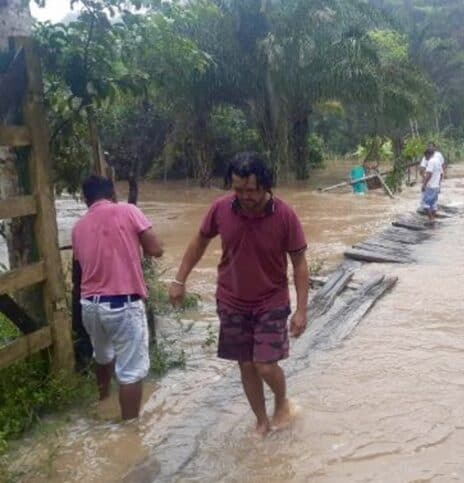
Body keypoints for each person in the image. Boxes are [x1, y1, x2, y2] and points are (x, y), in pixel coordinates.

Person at [168, 152, 309, 437]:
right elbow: (199, 242)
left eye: (251, 190)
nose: (245, 196)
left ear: (265, 185)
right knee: (245, 364)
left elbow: (299, 262)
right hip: (232, 300)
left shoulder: (284, 215)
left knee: (265, 365)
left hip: (271, 299)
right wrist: (178, 279)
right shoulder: (221, 209)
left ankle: (281, 403)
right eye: (238, 189)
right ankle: (261, 421)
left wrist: (302, 309)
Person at [72, 175, 164, 420]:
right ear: (112, 194)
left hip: (89, 306)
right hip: (122, 304)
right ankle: (130, 430)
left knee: (102, 356)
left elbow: (81, 267)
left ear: (85, 200)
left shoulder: (78, 227)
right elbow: (156, 249)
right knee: (131, 372)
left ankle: (103, 402)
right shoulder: (128, 210)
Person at [421, 148, 444, 225]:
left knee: (425, 204)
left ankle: (431, 219)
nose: (425, 158)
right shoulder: (438, 161)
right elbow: (441, 174)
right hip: (436, 186)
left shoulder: (431, 161)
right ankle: (433, 218)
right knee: (433, 204)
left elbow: (429, 174)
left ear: (428, 155)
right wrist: (439, 184)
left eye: (425, 156)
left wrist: (424, 184)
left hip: (430, 186)